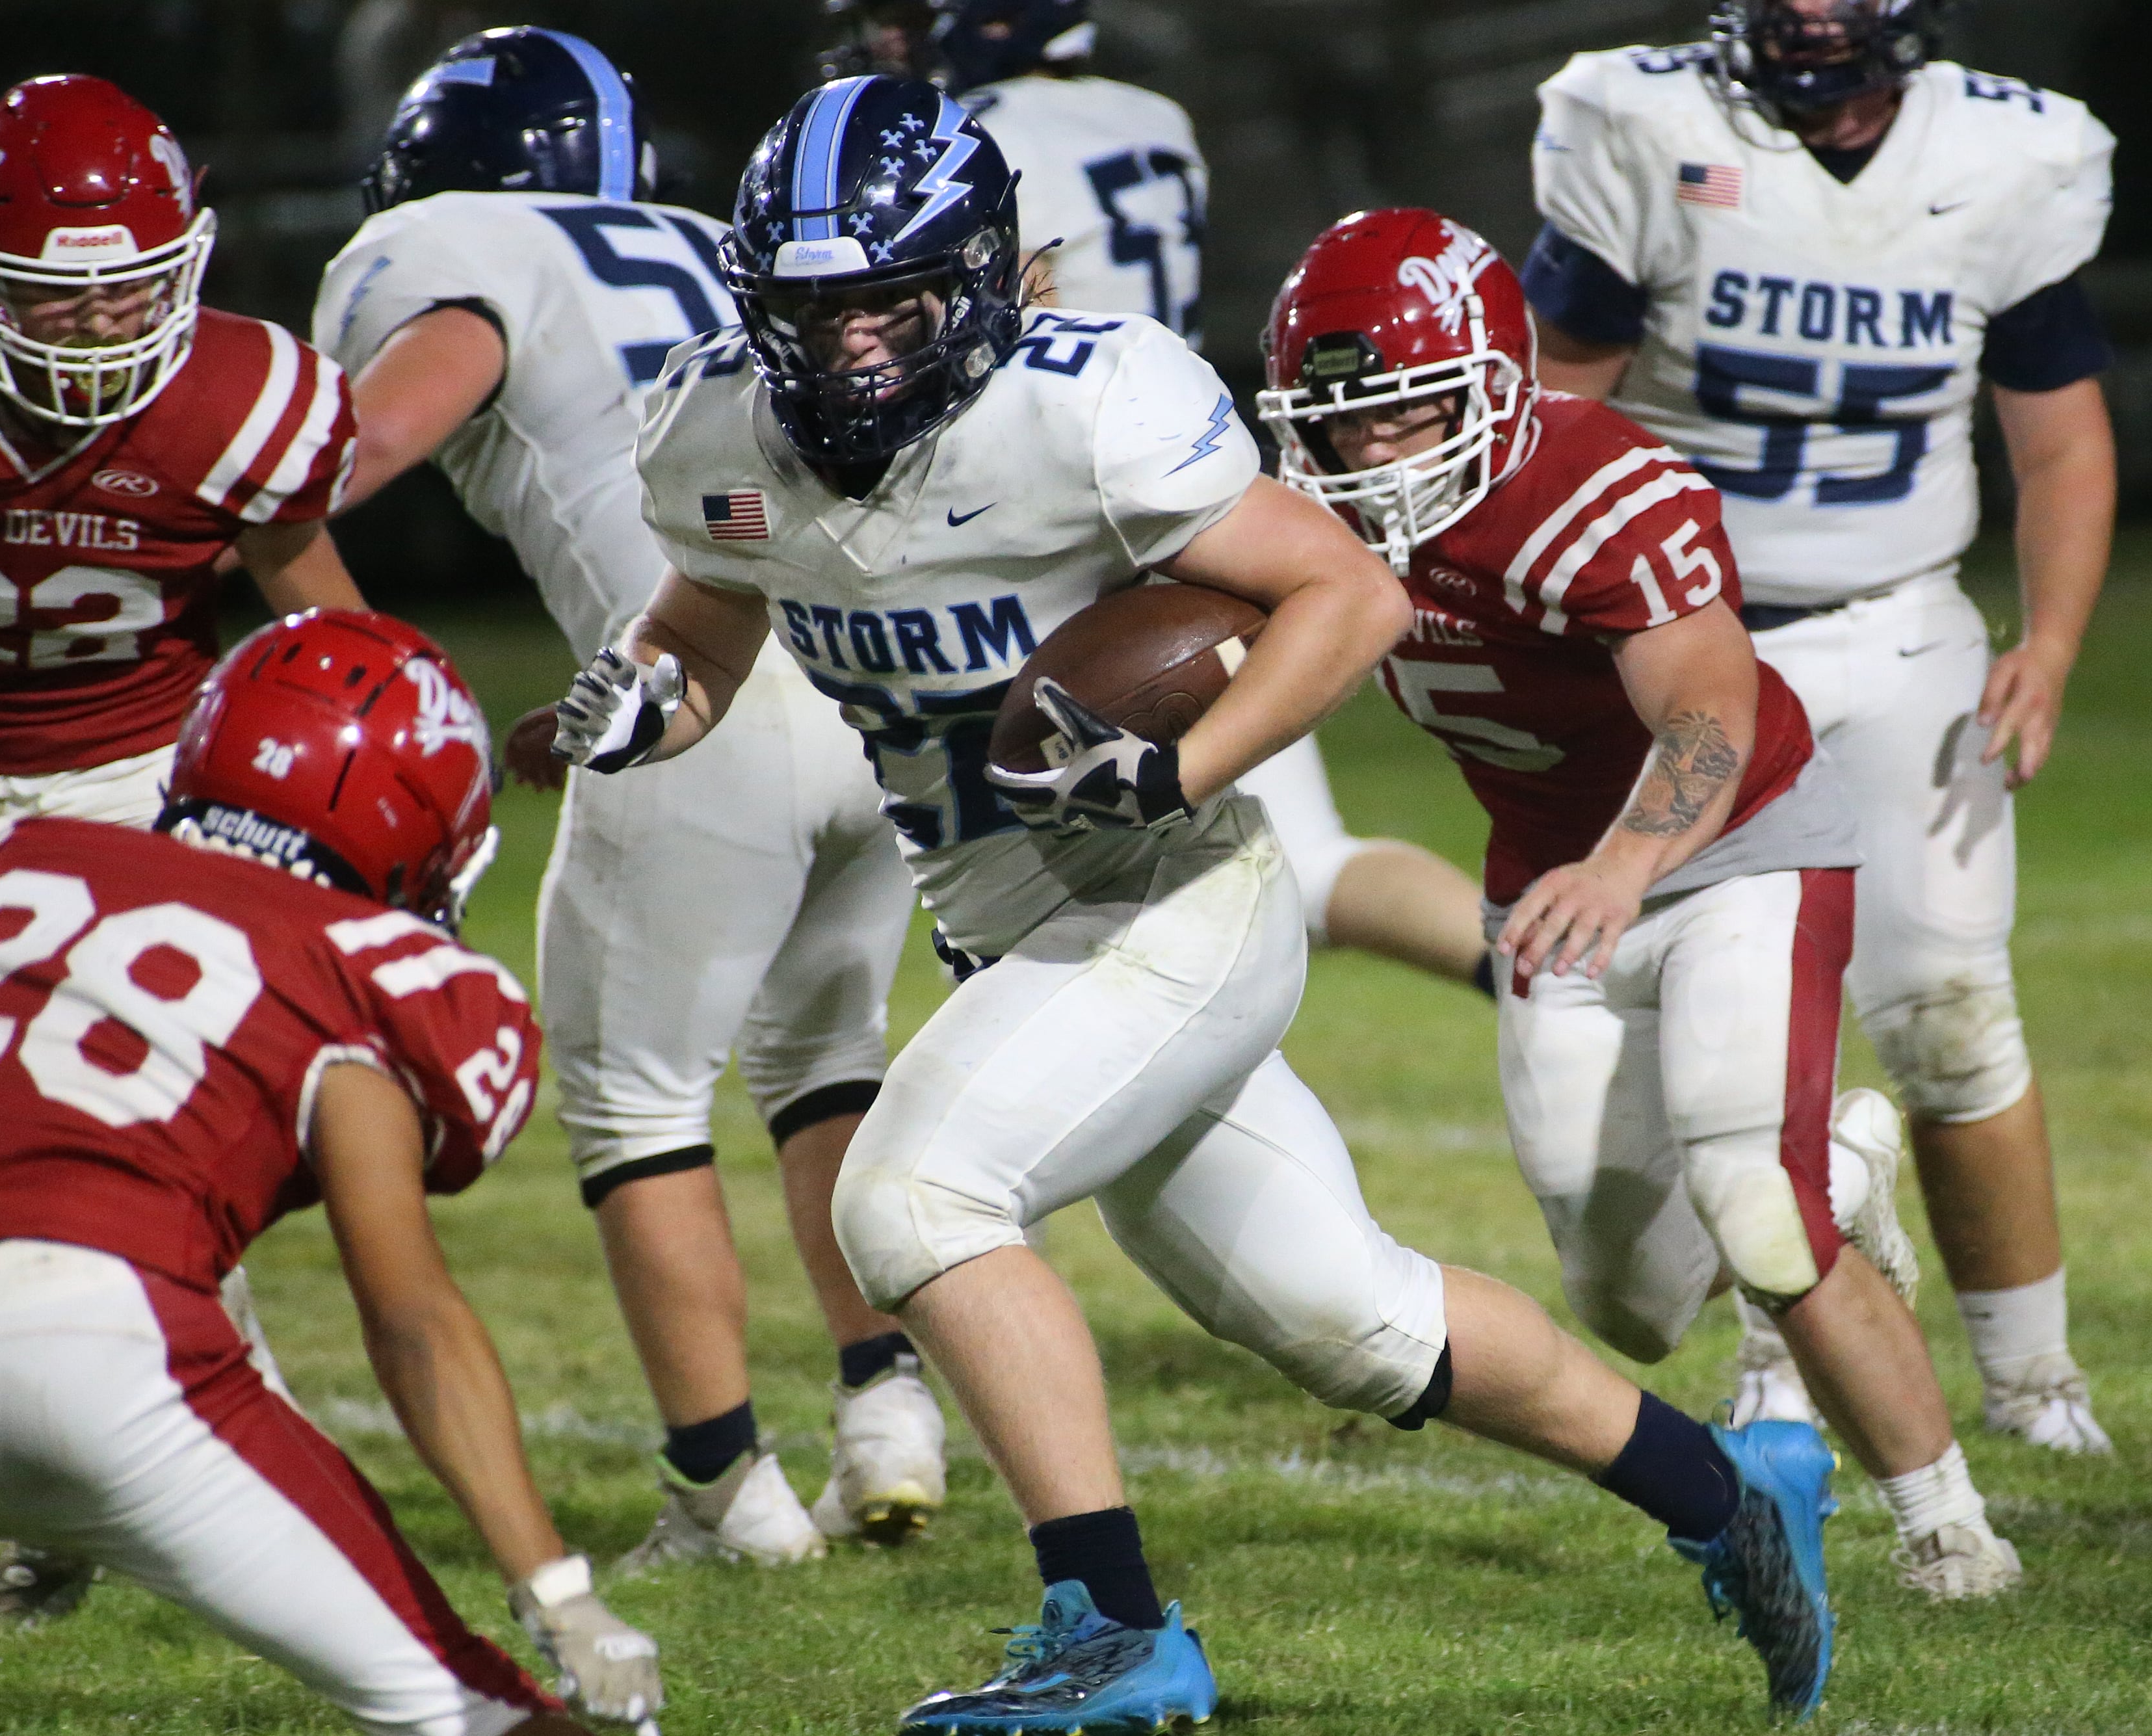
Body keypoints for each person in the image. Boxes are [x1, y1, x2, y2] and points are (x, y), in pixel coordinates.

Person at [553, 74, 1847, 1728]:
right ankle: (1729, 1492)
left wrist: (1181, 766)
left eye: (892, 298)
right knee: (1356, 1323)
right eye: (815, 310)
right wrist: (645, 692)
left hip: (1168, 898)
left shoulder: (1088, 401)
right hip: (1014, 925)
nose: (859, 345)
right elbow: (711, 616)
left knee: (915, 1201)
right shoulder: (716, 426)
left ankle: (1111, 1627)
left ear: (976, 276)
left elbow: (1348, 593)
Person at [1261, 204, 2020, 1600]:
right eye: (1339, 422)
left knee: (1756, 1209)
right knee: (1632, 1305)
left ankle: (1944, 1526)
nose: (1371, 453)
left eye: (1406, 414)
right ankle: (1848, 1163)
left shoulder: (1598, 486)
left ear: (1490, 385)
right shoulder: (1306, 522)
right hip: (1551, 890)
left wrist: (1622, 864)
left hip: (1734, 847)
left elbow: (1711, 721)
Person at [313, 27, 939, 1566]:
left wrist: (229, 484)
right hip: (881, 683)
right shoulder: (712, 239)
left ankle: (731, 1498)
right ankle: (887, 1410)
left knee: (637, 1103)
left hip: (696, 693)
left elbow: (368, 438)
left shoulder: (454, 249)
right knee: (825, 1055)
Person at [0, 609, 662, 1735]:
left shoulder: (3, 859)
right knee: (481, 1711)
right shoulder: (369, 966)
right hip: (104, 1345)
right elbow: (410, 1314)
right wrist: (557, 1589)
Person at [1522, 0, 2115, 1451]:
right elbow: (1548, 410)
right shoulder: (1647, 125)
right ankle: (1780, 1358)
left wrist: (2046, 640)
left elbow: (2057, 436)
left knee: (1952, 1018)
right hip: (1682, 649)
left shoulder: (2005, 153)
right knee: (1729, 1036)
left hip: (1895, 624)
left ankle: (2037, 1387)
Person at [0, 72, 369, 1620]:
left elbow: (336, 630)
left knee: (132, 1142)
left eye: (128, 299)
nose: (94, 333)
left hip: (133, 784)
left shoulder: (247, 400)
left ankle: (187, 1463)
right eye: (49, 299)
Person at [823, 0, 1493, 991]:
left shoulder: (976, 140)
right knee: (1275, 859)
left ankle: (1535, 968)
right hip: (1173, 468)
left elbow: (1020, 290)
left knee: (1066, 854)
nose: (889, 40)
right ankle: (1522, 966)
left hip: (1057, 491)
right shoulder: (1149, 116)